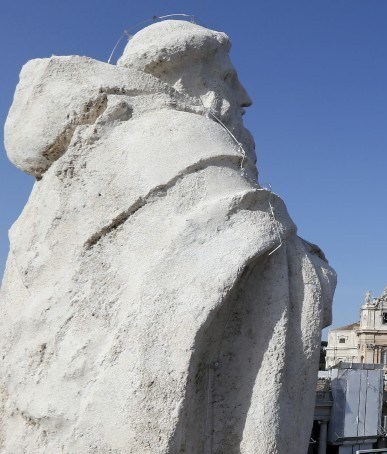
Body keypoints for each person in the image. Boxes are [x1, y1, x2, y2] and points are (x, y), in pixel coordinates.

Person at [1, 20, 335, 453]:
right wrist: (317, 269)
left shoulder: (72, 167)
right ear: (184, 77)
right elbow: (264, 252)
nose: (245, 97)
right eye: (228, 78)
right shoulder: (187, 146)